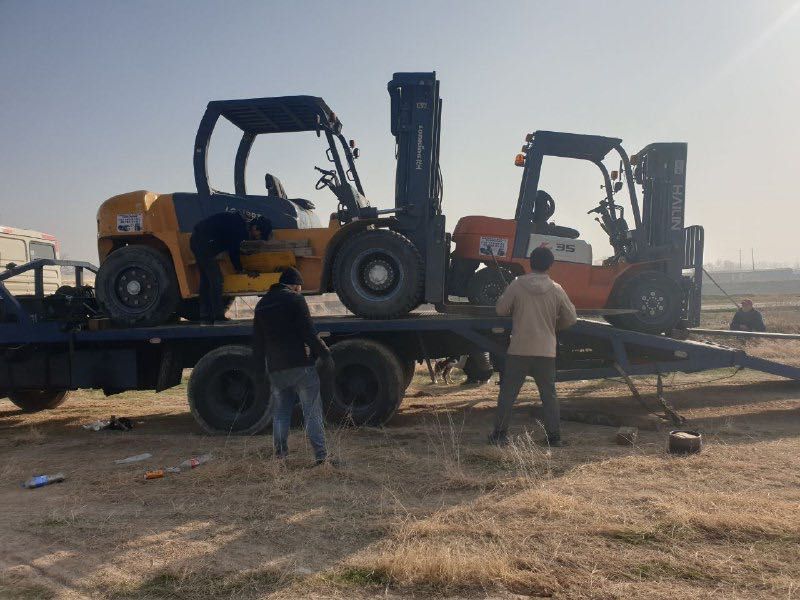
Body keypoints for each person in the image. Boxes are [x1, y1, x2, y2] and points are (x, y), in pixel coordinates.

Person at [489, 246, 577, 447]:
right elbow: (571, 318)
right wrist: (554, 327)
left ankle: (499, 434)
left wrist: (507, 299)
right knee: (549, 395)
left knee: (508, 393)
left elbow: (501, 310)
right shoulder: (556, 288)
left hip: (519, 349)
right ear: (550, 265)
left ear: (530, 262)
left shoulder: (518, 284)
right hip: (546, 350)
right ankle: (554, 437)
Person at [252, 267, 334, 465]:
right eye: (300, 287)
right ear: (295, 285)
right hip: (299, 366)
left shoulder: (261, 305)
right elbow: (308, 332)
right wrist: (324, 354)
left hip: (276, 370)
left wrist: (259, 371)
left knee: (280, 413)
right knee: (312, 411)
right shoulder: (295, 300)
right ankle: (322, 457)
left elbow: (258, 343)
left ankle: (280, 457)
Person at [189, 212, 272, 324]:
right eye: (259, 235)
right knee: (216, 280)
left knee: (206, 280)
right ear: (255, 227)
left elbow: (232, 247)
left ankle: (205, 316)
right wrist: (241, 269)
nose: (257, 238)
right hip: (202, 243)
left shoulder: (240, 224)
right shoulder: (239, 228)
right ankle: (217, 316)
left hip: (198, 240)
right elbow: (233, 251)